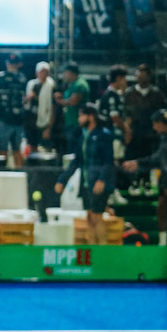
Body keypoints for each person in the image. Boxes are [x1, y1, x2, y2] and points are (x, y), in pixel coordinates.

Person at [55, 103, 115, 245]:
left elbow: (109, 161)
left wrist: (102, 180)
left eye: (81, 116)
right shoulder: (83, 136)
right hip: (86, 181)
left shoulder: (104, 135)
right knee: (89, 217)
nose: (79, 119)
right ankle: (92, 250)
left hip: (98, 182)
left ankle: (102, 251)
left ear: (91, 116)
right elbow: (77, 161)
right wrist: (62, 180)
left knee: (97, 217)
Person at [124, 110, 167, 245]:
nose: (154, 127)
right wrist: (138, 163)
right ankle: (165, 242)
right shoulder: (165, 138)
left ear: (162, 123)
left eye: (155, 124)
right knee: (162, 211)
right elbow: (157, 158)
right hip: (166, 181)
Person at [124, 63, 167, 163]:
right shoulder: (130, 93)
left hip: (150, 134)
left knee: (149, 159)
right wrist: (127, 131)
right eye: (139, 76)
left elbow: (162, 113)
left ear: (148, 77)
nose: (140, 78)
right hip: (135, 133)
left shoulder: (157, 94)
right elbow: (126, 115)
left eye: (143, 76)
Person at [0, 54, 27, 166]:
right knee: (2, 148)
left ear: (19, 64)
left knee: (17, 148)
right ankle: (1, 172)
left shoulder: (23, 79)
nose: (11, 65)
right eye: (9, 63)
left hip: (18, 119)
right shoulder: (0, 77)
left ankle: (19, 173)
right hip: (4, 118)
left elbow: (25, 97)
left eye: (13, 63)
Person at [55, 63, 90, 157]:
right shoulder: (72, 85)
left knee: (74, 153)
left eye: (65, 73)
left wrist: (60, 101)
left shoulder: (80, 84)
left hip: (77, 124)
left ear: (71, 72)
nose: (63, 75)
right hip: (71, 123)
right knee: (71, 151)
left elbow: (73, 101)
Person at [98, 64, 129, 160]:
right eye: (124, 78)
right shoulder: (111, 95)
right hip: (112, 136)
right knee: (114, 161)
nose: (126, 81)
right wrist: (126, 131)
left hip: (113, 136)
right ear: (119, 78)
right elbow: (114, 117)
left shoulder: (116, 94)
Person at [25, 61, 56, 151]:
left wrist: (49, 127)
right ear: (37, 73)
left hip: (45, 122)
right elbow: (26, 103)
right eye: (42, 71)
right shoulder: (31, 84)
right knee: (31, 146)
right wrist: (29, 97)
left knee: (46, 148)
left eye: (46, 71)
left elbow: (54, 108)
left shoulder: (51, 85)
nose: (44, 74)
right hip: (31, 122)